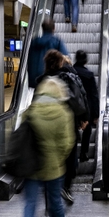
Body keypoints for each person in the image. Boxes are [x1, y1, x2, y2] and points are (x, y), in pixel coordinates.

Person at [36, 50, 89, 204]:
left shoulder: (41, 80)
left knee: (50, 155)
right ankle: (65, 186)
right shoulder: (68, 77)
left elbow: (34, 103)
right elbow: (78, 99)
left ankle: (50, 190)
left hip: (44, 127)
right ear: (60, 63)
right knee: (70, 154)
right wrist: (83, 118)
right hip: (66, 123)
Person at [23, 75, 75, 217]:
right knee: (55, 203)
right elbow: (67, 142)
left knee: (30, 204)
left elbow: (21, 135)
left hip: (31, 165)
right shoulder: (64, 113)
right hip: (54, 167)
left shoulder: (31, 111)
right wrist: (58, 158)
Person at [73, 50, 100, 162]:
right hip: (86, 106)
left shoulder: (71, 72)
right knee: (87, 130)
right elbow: (94, 95)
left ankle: (73, 155)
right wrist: (96, 114)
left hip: (73, 106)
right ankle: (84, 153)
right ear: (85, 60)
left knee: (72, 129)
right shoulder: (89, 75)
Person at [27, 17, 68, 89]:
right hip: (51, 78)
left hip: (35, 79)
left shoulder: (34, 42)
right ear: (53, 29)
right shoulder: (56, 41)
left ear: (42, 29)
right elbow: (65, 58)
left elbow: (29, 60)